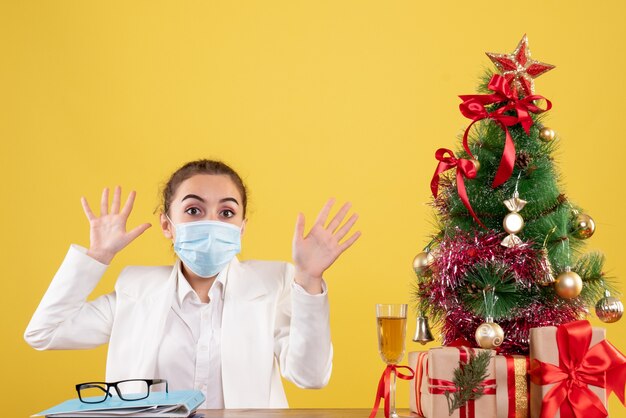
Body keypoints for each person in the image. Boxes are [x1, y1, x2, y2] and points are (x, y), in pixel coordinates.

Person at [24, 159, 360, 409]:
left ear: (242, 228)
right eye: (194, 210)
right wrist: (97, 257)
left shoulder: (273, 284)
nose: (211, 222)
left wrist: (309, 280)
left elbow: (311, 377)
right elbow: (44, 332)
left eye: (226, 213)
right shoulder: (135, 289)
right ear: (167, 224)